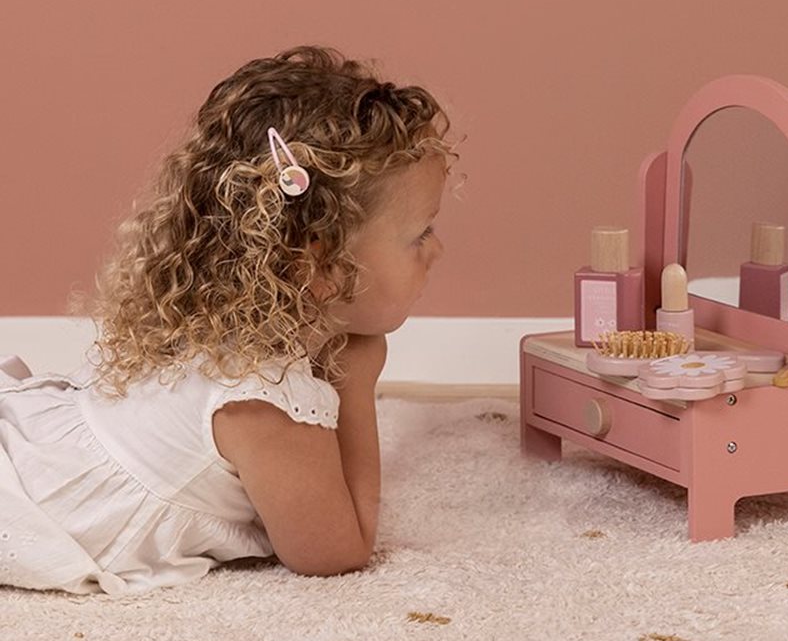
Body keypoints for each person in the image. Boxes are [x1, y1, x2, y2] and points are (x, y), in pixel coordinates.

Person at [0, 45, 453, 596]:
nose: (437, 251)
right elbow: (334, 552)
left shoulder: (219, 319)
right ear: (317, 266)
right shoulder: (263, 401)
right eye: (419, 236)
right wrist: (356, 384)